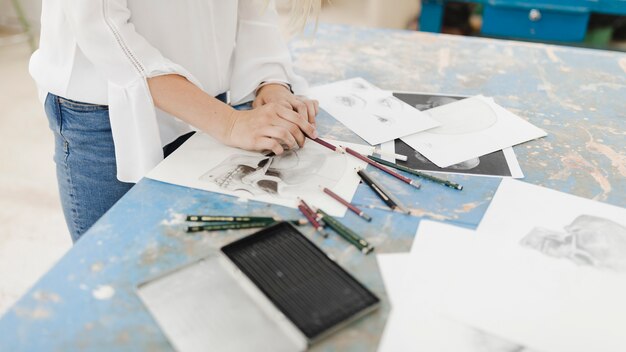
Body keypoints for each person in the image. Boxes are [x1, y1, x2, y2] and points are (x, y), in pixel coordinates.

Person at [30, 0, 322, 242]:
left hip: (208, 100)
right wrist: (230, 124)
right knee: (116, 265)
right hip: (106, 111)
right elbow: (101, 27)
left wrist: (270, 80)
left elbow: (254, 8)